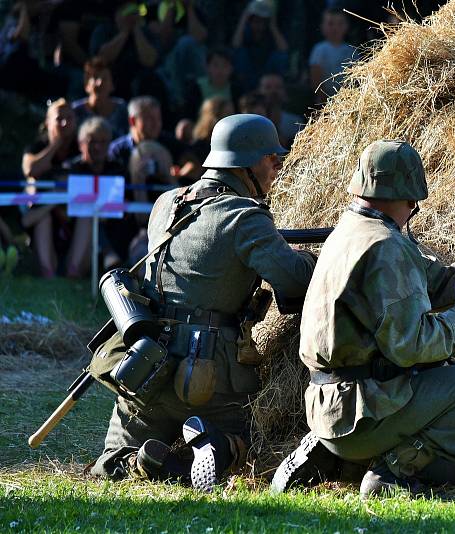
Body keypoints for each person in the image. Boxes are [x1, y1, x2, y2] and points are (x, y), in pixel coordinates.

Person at [271, 140, 455, 498]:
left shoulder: (353, 232)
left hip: (336, 408)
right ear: (407, 194)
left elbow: (442, 281)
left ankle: (341, 460)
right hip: (362, 413)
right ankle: (394, 472)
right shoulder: (385, 246)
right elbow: (412, 344)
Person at [90, 114, 317, 492]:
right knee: (248, 446)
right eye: (271, 160)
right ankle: (215, 445)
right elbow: (293, 278)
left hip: (148, 369)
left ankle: (148, 463)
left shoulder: (166, 204)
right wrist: (307, 258)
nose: (276, 168)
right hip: (213, 378)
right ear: (245, 166)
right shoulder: (245, 217)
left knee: (109, 463)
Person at [20, 99, 83, 278]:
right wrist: (55, 144)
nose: (64, 123)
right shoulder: (37, 147)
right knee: (43, 218)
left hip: (73, 218)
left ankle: (74, 272)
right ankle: (48, 273)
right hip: (41, 216)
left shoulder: (81, 148)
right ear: (47, 122)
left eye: (69, 118)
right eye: (59, 119)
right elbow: (30, 170)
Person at [63, 117, 128, 270]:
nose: (97, 147)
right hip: (75, 234)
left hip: (115, 230)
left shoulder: (119, 170)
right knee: (89, 214)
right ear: (80, 144)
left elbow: (125, 205)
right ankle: (108, 253)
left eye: (103, 141)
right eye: (92, 141)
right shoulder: (71, 170)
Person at [108, 96, 186, 170]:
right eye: (149, 118)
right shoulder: (117, 151)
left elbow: (192, 165)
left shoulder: (171, 144)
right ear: (133, 121)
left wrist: (177, 174)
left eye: (158, 118)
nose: (156, 123)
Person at [231, 0, 288, 91]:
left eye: (262, 21)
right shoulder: (246, 33)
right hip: (248, 74)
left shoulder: (271, 34)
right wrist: (244, 18)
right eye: (256, 21)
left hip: (266, 73)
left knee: (280, 56)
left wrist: (273, 26)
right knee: (240, 53)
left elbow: (283, 49)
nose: (259, 25)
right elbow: (236, 45)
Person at [309, 8, 358, 104]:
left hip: (347, 101)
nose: (335, 28)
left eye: (340, 24)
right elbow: (316, 77)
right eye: (330, 24)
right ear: (322, 26)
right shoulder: (319, 49)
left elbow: (355, 77)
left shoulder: (351, 50)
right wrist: (323, 98)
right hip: (324, 101)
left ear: (347, 26)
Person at [72, 58, 129, 139]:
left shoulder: (123, 109)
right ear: (86, 84)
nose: (100, 83)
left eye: (104, 78)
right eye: (95, 77)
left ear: (112, 84)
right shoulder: (75, 111)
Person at [183, 47, 243, 119]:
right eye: (215, 65)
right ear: (207, 67)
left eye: (225, 65)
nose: (220, 70)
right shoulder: (196, 88)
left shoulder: (237, 90)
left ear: (231, 68)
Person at [258, 73, 304, 147]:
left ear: (285, 92)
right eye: (268, 87)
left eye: (278, 87)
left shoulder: (296, 123)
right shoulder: (253, 124)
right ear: (259, 91)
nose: (273, 91)